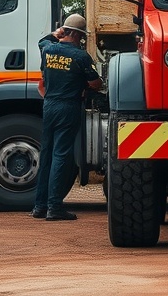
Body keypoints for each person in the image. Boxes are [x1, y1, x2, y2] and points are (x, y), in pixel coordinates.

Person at [30, 13, 101, 221]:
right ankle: (55, 207)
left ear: (64, 31)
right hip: (68, 107)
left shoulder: (48, 49)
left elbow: (42, 41)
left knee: (47, 155)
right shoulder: (81, 56)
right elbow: (96, 83)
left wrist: (56, 33)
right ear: (80, 35)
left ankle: (39, 207)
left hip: (49, 105)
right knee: (61, 156)